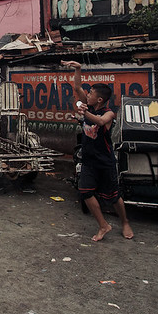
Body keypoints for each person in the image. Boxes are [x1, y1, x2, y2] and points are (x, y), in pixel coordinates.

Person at [61, 60, 133, 241]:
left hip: (105, 161)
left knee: (114, 196)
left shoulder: (109, 113)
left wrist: (84, 113)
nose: (87, 94)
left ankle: (125, 222)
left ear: (99, 99)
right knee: (85, 192)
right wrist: (77, 68)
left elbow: (99, 122)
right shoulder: (89, 106)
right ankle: (103, 225)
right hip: (88, 160)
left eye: (91, 93)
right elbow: (77, 87)